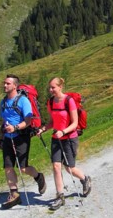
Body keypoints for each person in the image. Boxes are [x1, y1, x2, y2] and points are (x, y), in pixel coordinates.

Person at [36, 77, 91, 211]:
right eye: (50, 87)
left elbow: (75, 123)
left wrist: (63, 131)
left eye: (53, 87)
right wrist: (43, 129)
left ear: (60, 87)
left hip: (69, 138)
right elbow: (52, 122)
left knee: (69, 168)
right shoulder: (51, 102)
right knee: (56, 166)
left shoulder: (69, 101)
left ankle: (85, 179)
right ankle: (60, 196)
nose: (51, 90)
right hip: (56, 137)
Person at [0, 74, 46, 209]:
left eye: (8, 83)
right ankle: (14, 194)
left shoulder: (23, 101)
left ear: (15, 86)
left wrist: (15, 127)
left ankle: (38, 177)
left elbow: (28, 120)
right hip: (8, 138)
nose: (5, 85)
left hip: (21, 137)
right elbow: (3, 120)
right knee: (8, 166)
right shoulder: (3, 102)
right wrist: (2, 135)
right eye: (4, 83)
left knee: (23, 168)